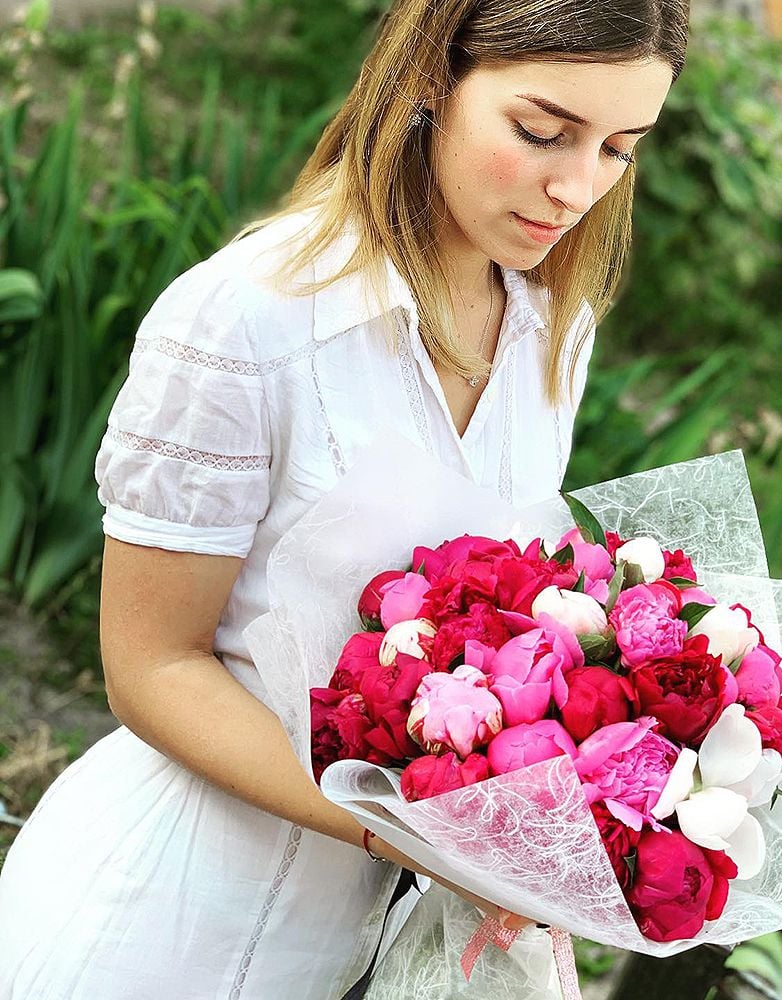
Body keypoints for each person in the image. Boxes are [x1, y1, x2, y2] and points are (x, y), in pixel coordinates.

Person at [0, 0, 685, 995]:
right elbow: (149, 666)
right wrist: (418, 832)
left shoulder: (550, 332)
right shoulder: (247, 319)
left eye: (620, 148)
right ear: (431, 80)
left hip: (342, 955)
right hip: (149, 928)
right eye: (542, 131)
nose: (577, 186)